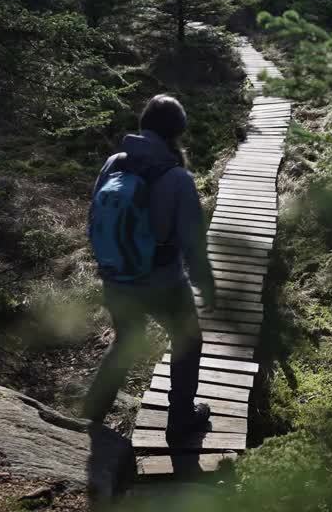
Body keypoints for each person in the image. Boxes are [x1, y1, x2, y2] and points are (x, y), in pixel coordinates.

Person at [82, 94, 216, 443]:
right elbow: (193, 244)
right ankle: (180, 421)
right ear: (178, 133)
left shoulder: (114, 162)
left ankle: (92, 414)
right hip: (163, 282)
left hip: (116, 276)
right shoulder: (178, 178)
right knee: (188, 340)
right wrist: (207, 285)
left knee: (127, 339)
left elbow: (94, 217)